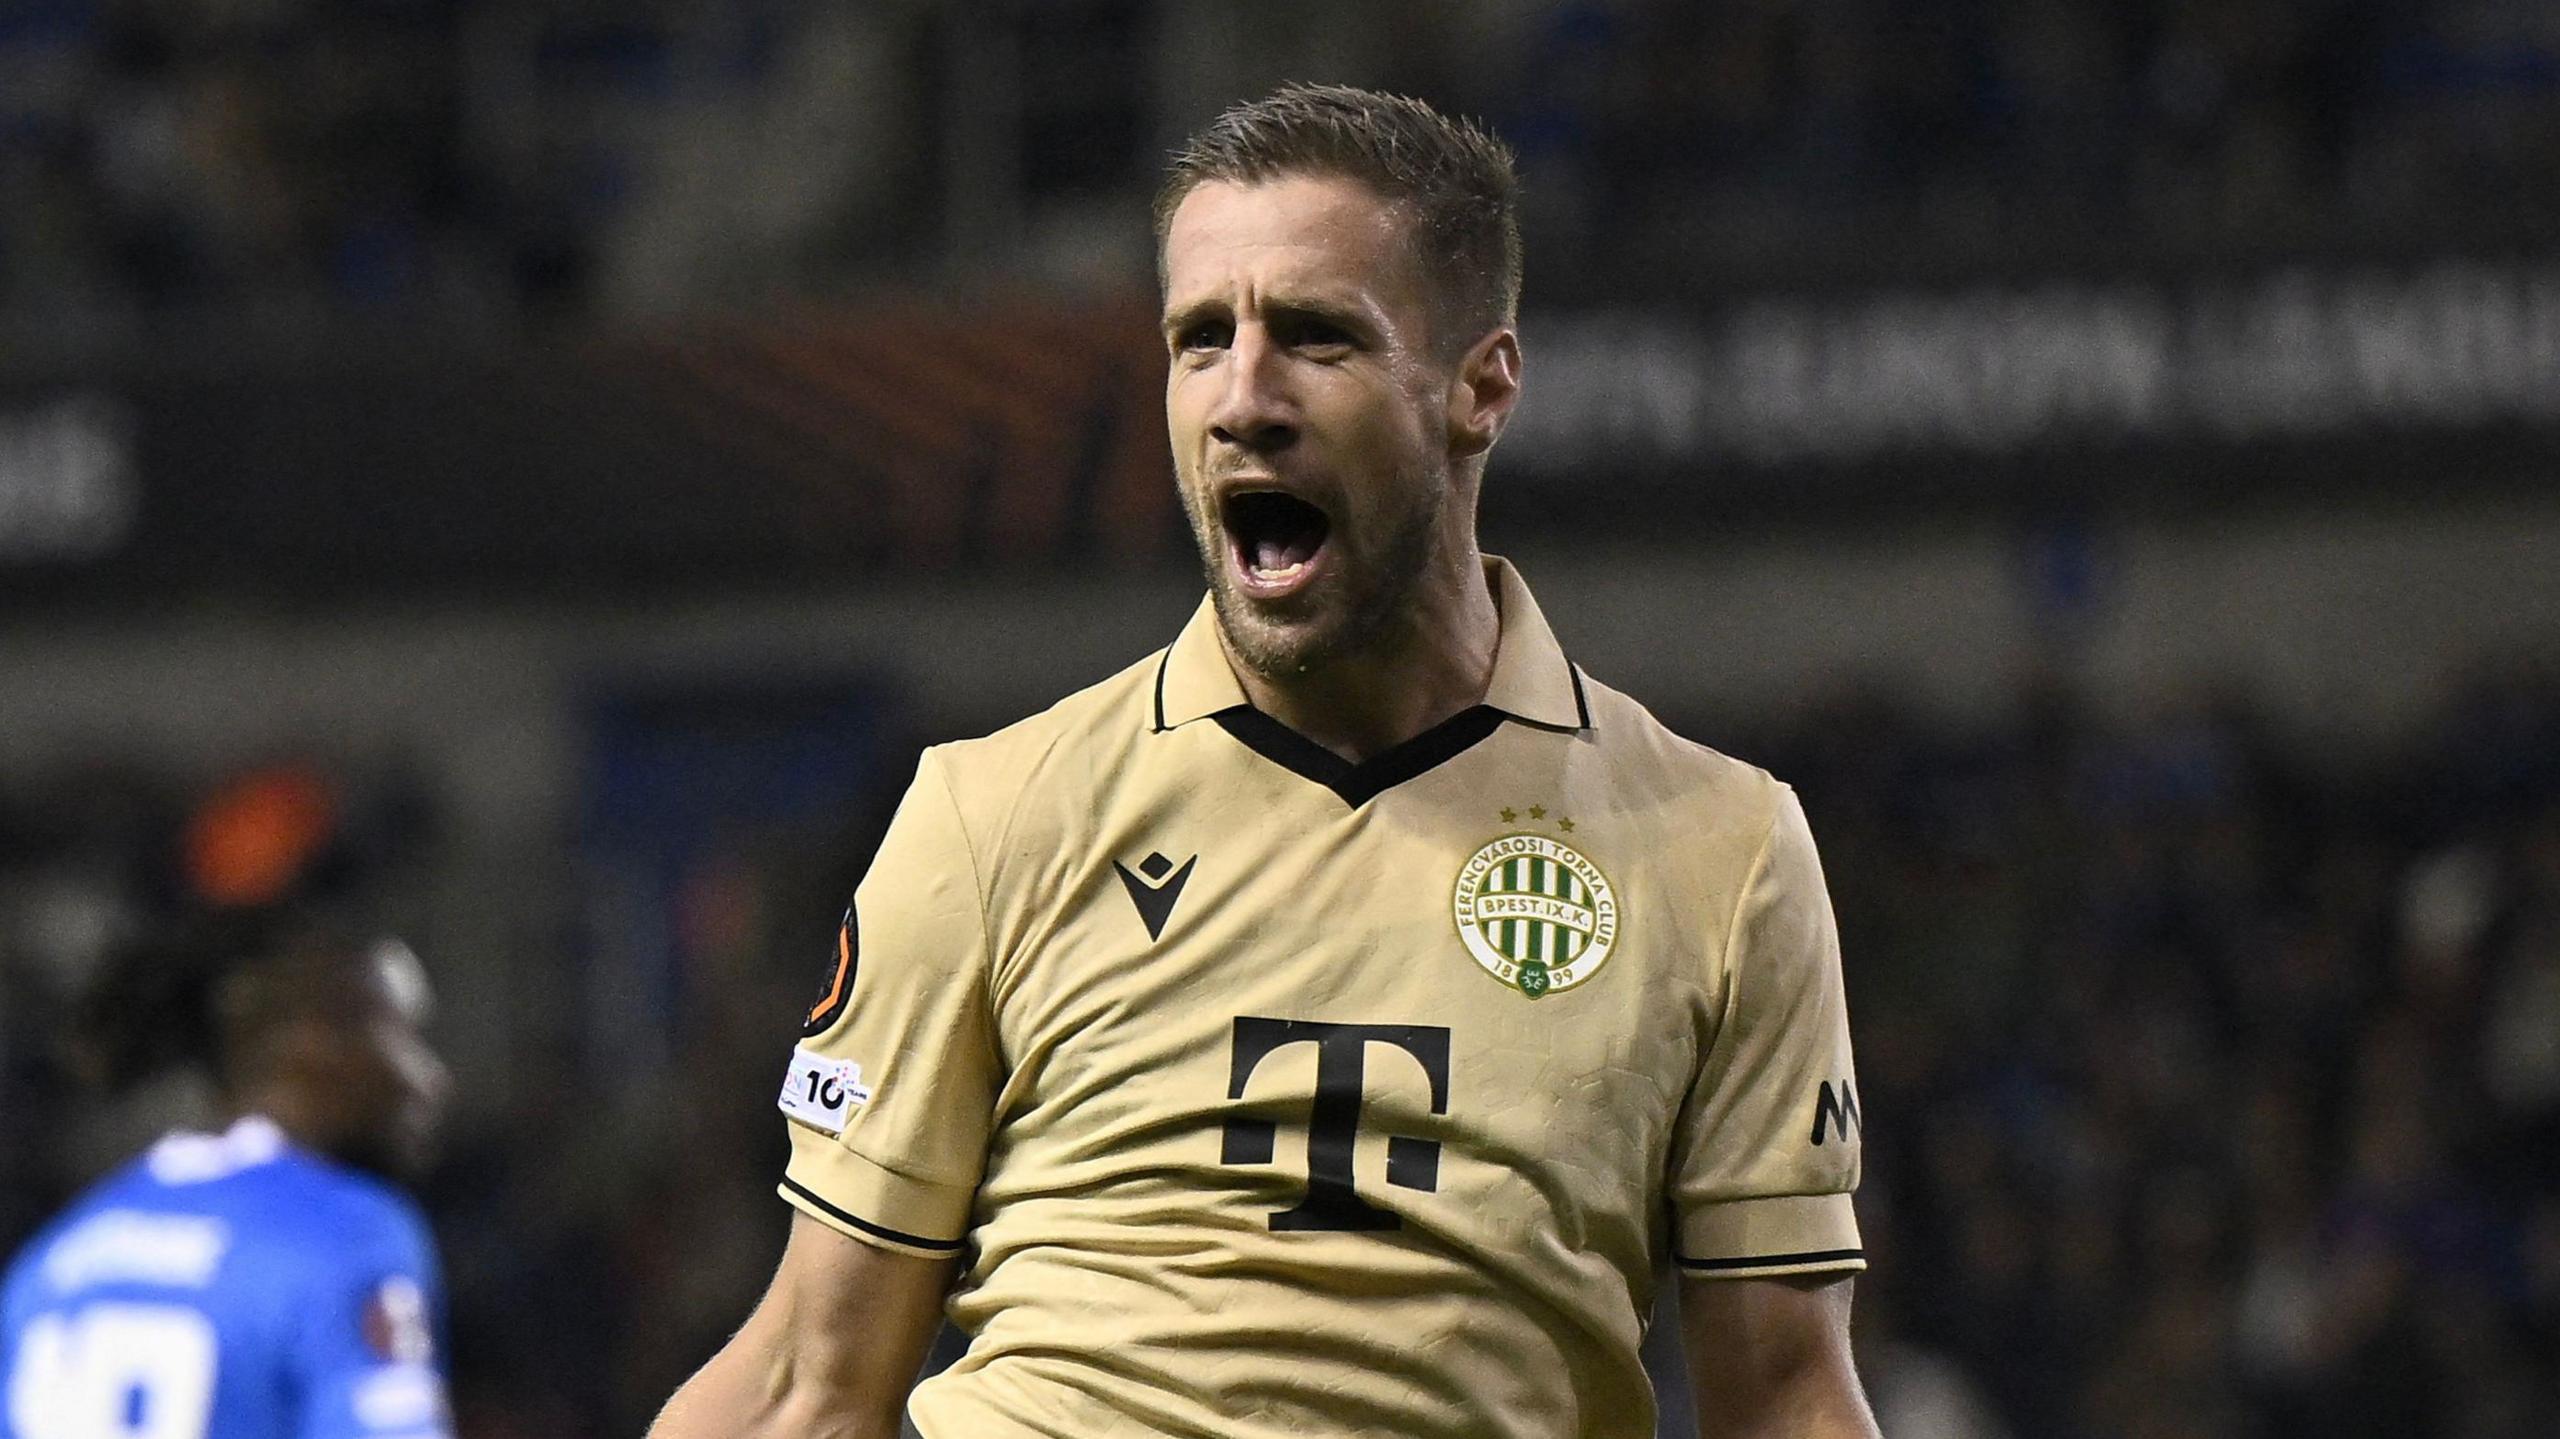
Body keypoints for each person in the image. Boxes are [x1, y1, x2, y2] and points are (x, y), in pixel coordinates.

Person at [652, 83, 1878, 1439]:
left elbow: (1786, 1398)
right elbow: (807, 1382)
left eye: (1315, 336)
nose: (1243, 397)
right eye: (1198, 340)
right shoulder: (992, 816)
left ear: (1482, 386)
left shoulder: (1724, 850)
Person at [1, 922, 455, 1439]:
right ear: (310, 1039)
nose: (431, 1077)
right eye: (405, 1035)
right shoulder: (343, 1231)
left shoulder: (55, 1261)